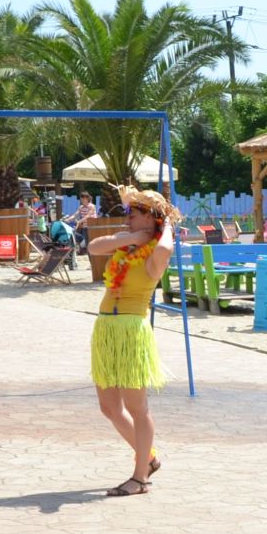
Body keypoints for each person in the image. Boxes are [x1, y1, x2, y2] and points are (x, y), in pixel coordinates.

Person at [87, 185, 182, 497]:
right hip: (106, 329)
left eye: (135, 213)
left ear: (152, 219)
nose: (127, 217)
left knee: (136, 407)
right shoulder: (125, 246)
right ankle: (149, 458)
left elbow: (165, 249)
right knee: (109, 407)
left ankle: (140, 477)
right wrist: (131, 237)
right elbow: (94, 247)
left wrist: (166, 226)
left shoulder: (155, 256)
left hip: (131, 331)